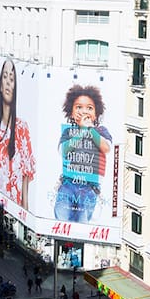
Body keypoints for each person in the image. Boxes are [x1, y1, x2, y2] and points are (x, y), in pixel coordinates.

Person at [0, 60, 36, 212]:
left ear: (15, 87)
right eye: (4, 77)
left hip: (15, 211)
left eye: (11, 79)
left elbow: (25, 183)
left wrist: (26, 219)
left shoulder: (22, 128)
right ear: (0, 85)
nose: (7, 82)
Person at [55, 86, 113, 223]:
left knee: (83, 222)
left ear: (96, 113)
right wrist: (81, 131)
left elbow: (106, 147)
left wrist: (90, 129)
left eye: (89, 108)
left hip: (89, 187)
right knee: (61, 218)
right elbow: (63, 151)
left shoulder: (101, 130)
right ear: (71, 112)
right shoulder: (69, 131)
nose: (84, 111)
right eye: (79, 107)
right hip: (68, 183)